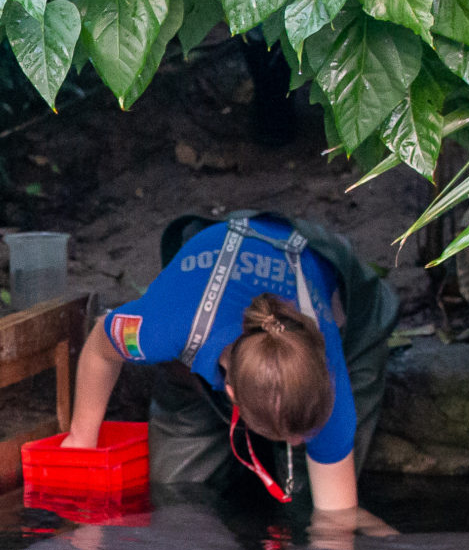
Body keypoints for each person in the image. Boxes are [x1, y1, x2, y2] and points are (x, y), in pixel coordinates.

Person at [59, 210, 396, 527]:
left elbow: (336, 518)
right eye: (288, 434)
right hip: (199, 312)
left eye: (303, 432)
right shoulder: (164, 327)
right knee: (172, 493)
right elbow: (101, 345)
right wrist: (81, 439)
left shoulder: (326, 373)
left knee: (305, 503)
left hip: (344, 303)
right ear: (231, 395)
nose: (298, 441)